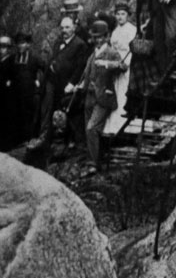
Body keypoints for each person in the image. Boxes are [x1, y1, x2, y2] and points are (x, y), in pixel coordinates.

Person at [32, 16, 89, 151]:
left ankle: (71, 141)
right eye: (62, 27)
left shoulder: (80, 44)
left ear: (74, 28)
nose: (64, 30)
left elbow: (80, 67)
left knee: (68, 112)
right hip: (54, 82)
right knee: (51, 110)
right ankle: (48, 139)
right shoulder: (58, 42)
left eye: (67, 27)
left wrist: (72, 83)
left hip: (67, 84)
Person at [78, 20, 122, 171]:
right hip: (89, 96)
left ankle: (93, 164)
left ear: (107, 36)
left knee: (91, 128)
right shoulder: (92, 54)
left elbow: (123, 66)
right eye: (95, 37)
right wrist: (81, 85)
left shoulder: (111, 52)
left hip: (104, 97)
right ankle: (93, 159)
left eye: (101, 37)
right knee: (88, 129)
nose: (98, 40)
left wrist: (106, 63)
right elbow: (87, 73)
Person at [104, 2, 137, 134]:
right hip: (116, 65)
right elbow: (112, 49)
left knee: (124, 92)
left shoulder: (132, 30)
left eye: (123, 14)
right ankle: (113, 126)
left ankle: (125, 126)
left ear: (128, 15)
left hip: (128, 64)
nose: (120, 17)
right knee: (115, 93)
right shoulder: (115, 31)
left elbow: (133, 50)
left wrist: (125, 63)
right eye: (118, 14)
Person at [11, 32, 44, 144]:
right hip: (16, 92)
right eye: (18, 43)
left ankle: (29, 138)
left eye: (23, 43)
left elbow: (45, 68)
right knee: (17, 114)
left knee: (29, 115)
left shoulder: (34, 58)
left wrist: (39, 81)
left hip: (29, 92)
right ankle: (18, 139)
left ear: (28, 44)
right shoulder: (14, 58)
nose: (20, 46)